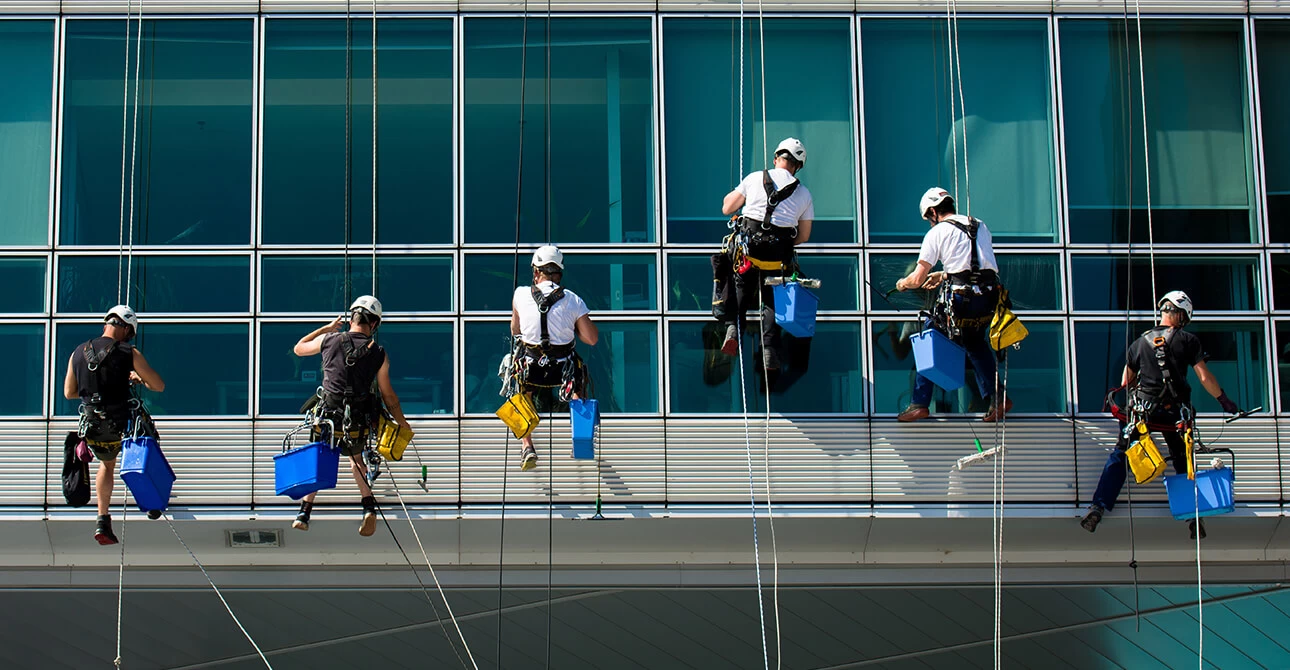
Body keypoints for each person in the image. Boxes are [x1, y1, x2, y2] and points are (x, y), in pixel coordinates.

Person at [1081, 291, 1242, 540]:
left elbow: (1126, 381)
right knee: (1181, 459)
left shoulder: (1139, 343)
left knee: (1121, 455)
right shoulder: (1187, 340)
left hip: (1143, 411)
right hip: (1173, 412)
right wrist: (1223, 400)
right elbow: (1203, 376)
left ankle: (1098, 507)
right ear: (1180, 314)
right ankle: (1192, 516)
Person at [290, 295, 411, 537]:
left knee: (319, 457)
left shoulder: (329, 340)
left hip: (327, 416)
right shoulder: (378, 353)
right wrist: (402, 424)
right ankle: (368, 507)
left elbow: (299, 348)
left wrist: (327, 328)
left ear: (351, 318)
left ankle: (304, 511)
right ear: (374, 324)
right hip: (355, 419)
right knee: (356, 460)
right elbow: (388, 396)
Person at [894, 187, 1009, 423]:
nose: (929, 223)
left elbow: (917, 278)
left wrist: (902, 283)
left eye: (928, 218)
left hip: (962, 299)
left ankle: (919, 402)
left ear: (934, 211)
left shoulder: (937, 233)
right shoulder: (979, 225)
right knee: (974, 342)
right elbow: (976, 266)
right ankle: (998, 398)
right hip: (988, 297)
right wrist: (943, 276)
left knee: (929, 336)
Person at [63, 305, 165, 545]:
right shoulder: (129, 352)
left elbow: (69, 392)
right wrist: (138, 379)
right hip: (123, 424)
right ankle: (151, 503)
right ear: (126, 328)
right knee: (149, 446)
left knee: (106, 466)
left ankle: (102, 520)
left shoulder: (77, 352)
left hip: (94, 427)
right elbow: (158, 386)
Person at [717, 137, 815, 372]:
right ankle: (769, 349)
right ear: (798, 166)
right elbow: (804, 236)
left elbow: (727, 208)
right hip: (777, 258)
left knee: (740, 283)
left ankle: (733, 328)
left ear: (776, 158)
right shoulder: (804, 194)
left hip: (749, 251)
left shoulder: (754, 178)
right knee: (771, 298)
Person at [510, 245, 598, 471]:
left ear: (536, 271)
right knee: (577, 389)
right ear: (559, 272)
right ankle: (581, 440)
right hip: (562, 369)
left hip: (531, 368)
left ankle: (526, 446)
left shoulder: (520, 294)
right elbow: (591, 339)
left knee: (521, 392)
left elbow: (515, 329)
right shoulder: (573, 300)